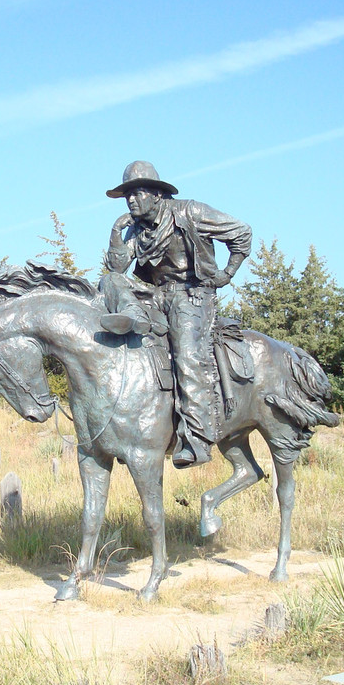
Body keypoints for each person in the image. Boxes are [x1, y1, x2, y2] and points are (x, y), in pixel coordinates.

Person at [99, 161, 252, 468]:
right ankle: (132, 315)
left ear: (157, 195)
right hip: (155, 295)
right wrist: (117, 232)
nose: (131, 200)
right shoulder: (135, 230)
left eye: (137, 193)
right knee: (108, 282)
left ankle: (195, 438)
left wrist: (227, 273)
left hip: (192, 294)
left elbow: (241, 232)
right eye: (127, 195)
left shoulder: (191, 212)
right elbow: (117, 269)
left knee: (186, 353)